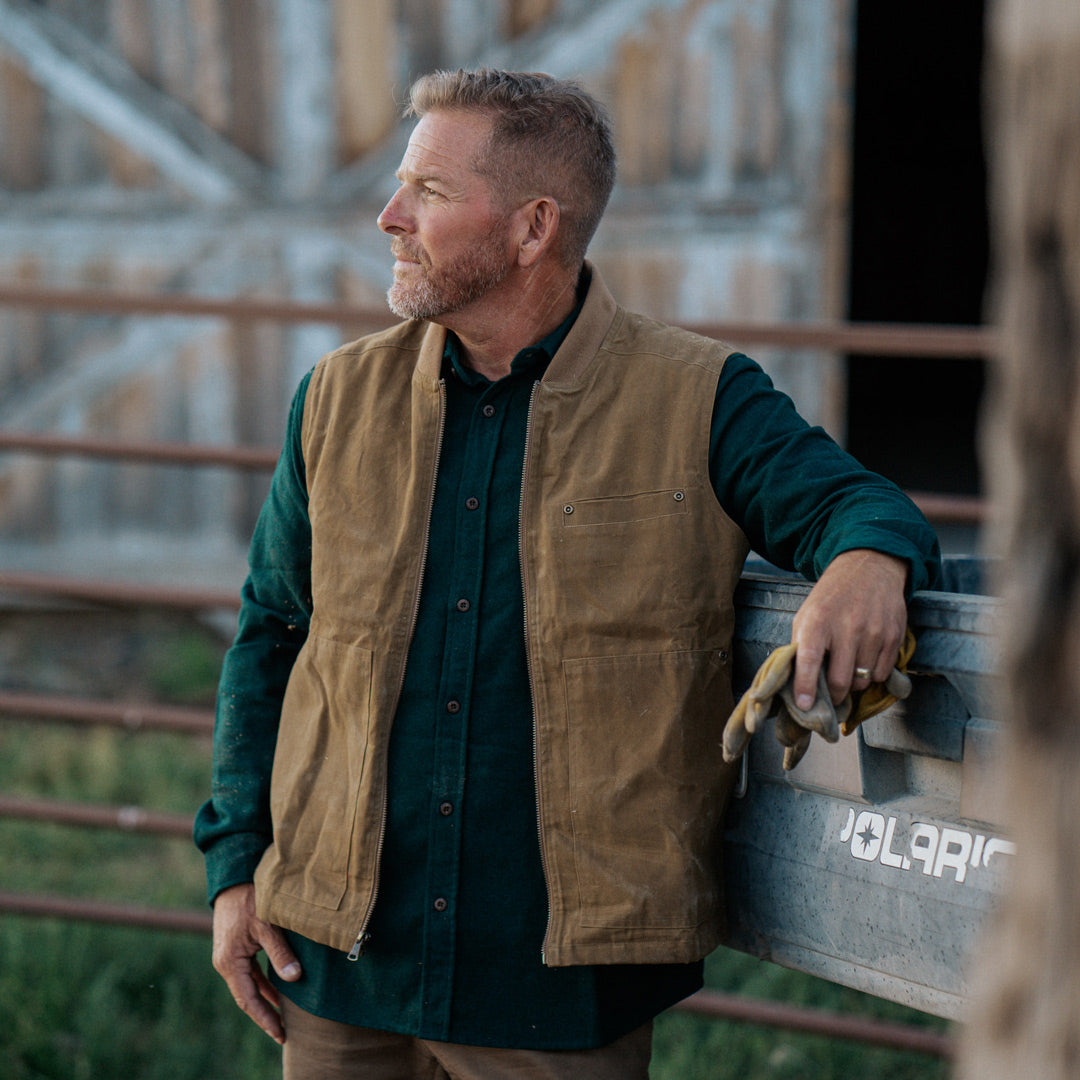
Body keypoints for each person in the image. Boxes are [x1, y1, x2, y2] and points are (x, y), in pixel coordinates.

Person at [195, 68, 941, 1078]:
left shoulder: (698, 397)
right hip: (335, 969)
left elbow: (861, 505)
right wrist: (235, 867)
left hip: (554, 992)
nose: (389, 216)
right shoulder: (335, 397)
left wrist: (868, 561)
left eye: (429, 191)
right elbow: (271, 634)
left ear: (533, 228)